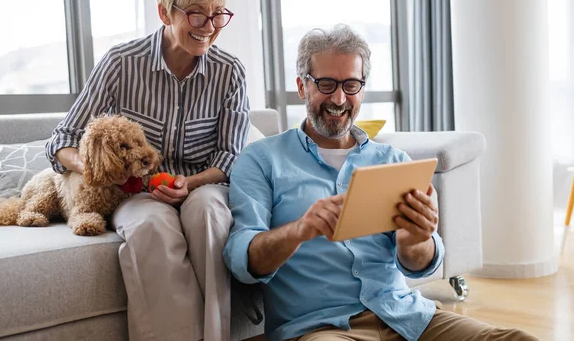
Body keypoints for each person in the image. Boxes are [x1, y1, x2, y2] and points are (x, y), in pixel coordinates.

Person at [223, 24, 537, 341]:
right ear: (303, 87)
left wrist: (416, 241)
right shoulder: (262, 159)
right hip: (320, 328)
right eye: (327, 84)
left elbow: (422, 263)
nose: (339, 98)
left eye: (351, 84)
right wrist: (299, 230)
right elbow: (241, 260)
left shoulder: (392, 161)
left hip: (407, 317)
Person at [46, 0, 249, 341]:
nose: (208, 27)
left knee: (209, 215)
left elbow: (229, 157)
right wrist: (98, 171)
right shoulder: (121, 63)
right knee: (152, 227)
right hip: (135, 191)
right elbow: (61, 141)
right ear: (164, 12)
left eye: (217, 14)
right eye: (195, 14)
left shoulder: (230, 72)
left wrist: (190, 183)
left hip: (200, 186)